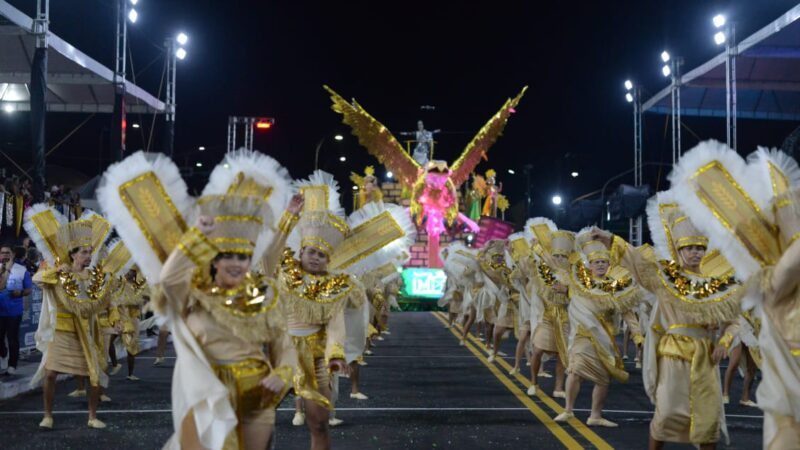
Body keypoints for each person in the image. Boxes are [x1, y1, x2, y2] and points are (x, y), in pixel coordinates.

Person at [24, 209, 114, 429]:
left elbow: (105, 301)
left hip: (85, 330)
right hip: (62, 331)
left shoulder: (94, 277)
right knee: (51, 374)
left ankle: (92, 417)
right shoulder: (59, 274)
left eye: (90, 252)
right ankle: (47, 415)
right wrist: (56, 270)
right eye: (84, 252)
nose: (88, 256)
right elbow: (37, 279)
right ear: (73, 254)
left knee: (93, 376)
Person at [554, 228, 642, 427]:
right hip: (582, 335)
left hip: (605, 338)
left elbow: (628, 313)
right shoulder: (578, 282)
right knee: (575, 370)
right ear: (590, 265)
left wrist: (637, 336)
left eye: (604, 262)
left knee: (602, 379)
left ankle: (595, 415)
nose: (600, 265)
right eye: (596, 262)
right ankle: (568, 410)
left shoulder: (617, 287)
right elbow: (561, 265)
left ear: (609, 265)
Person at [525, 219, 574, 398]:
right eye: (557, 256)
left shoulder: (574, 276)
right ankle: (534, 383)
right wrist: (535, 249)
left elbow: (584, 295)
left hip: (565, 318)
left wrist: (567, 290)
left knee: (562, 354)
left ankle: (558, 387)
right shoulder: (545, 271)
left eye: (563, 256)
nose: (559, 259)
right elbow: (533, 272)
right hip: (547, 316)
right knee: (537, 350)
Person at [0, 243, 33, 375]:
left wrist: (20, 293)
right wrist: (5, 271)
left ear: (13, 254)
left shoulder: (21, 270)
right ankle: (3, 354)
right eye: (2, 253)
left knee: (13, 338)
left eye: (8, 253)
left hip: (14, 311)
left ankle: (12, 365)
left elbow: (29, 289)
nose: (5, 255)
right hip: (0, 311)